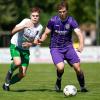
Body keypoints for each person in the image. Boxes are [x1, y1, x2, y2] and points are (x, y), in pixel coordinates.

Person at [39, 2, 88, 92]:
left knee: (77, 68)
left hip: (68, 47)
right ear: (58, 12)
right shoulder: (53, 20)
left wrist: (81, 45)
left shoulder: (71, 21)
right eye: (60, 12)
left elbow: (80, 34)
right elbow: (46, 33)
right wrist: (41, 40)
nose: (62, 13)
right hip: (55, 48)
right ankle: (58, 80)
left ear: (67, 11)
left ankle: (83, 86)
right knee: (60, 67)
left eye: (64, 11)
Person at [2, 7, 43, 91]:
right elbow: (13, 31)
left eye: (37, 16)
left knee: (22, 75)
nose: (35, 17)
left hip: (25, 50)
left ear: (39, 17)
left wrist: (30, 44)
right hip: (15, 45)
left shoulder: (40, 27)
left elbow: (35, 42)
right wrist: (23, 26)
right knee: (17, 63)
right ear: (30, 16)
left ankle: (7, 84)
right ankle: (10, 72)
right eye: (33, 15)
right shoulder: (25, 21)